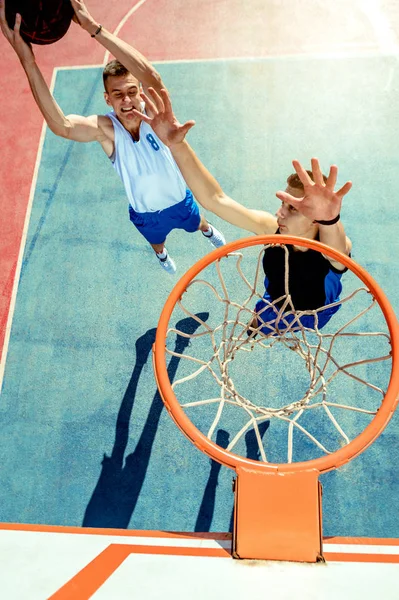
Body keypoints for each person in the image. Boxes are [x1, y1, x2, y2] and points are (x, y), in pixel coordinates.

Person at [0, 0, 225, 275]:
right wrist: (28, 60)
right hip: (146, 214)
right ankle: (162, 255)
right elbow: (61, 125)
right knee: (157, 242)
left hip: (179, 200)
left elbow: (152, 76)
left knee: (197, 222)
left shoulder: (156, 115)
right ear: (108, 99)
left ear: (140, 91)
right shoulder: (107, 129)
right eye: (118, 94)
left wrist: (94, 28)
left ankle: (208, 230)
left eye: (132, 91)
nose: (127, 100)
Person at [131, 87, 353, 333]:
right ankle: (257, 328)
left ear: (317, 219)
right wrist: (177, 146)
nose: (280, 213)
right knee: (258, 323)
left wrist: (330, 219)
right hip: (275, 303)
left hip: (315, 314)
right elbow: (215, 199)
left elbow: (336, 247)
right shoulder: (271, 229)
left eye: (294, 208)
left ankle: (263, 327)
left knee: (273, 323)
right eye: (283, 204)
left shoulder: (330, 246)